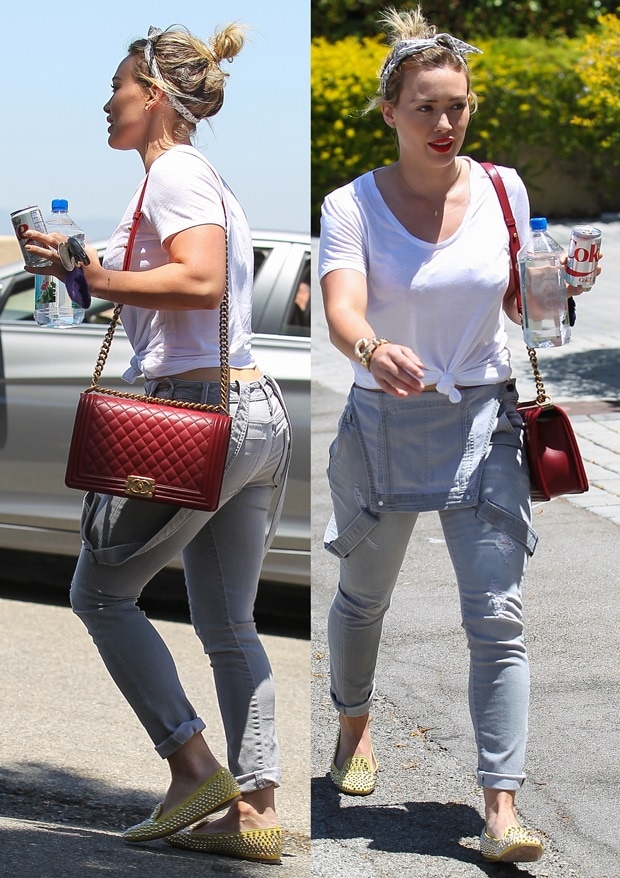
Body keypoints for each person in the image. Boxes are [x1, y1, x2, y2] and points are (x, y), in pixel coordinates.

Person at [319, 5, 590, 865]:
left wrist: (559, 287)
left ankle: (501, 808)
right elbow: (340, 308)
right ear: (391, 111)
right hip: (384, 422)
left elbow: (523, 309)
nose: (446, 123)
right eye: (427, 107)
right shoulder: (351, 203)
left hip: (483, 415)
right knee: (365, 599)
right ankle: (354, 725)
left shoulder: (504, 189)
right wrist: (371, 346)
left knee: (498, 618)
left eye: (459, 106)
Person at [24, 23, 290, 864]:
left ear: (156, 97)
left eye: (118, 85)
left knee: (99, 594)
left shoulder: (172, 172)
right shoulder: (194, 177)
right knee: (230, 624)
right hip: (250, 411)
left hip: (193, 412)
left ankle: (192, 767)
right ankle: (255, 815)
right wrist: (81, 265)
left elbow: (201, 279)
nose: (107, 101)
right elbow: (174, 284)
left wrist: (96, 277)